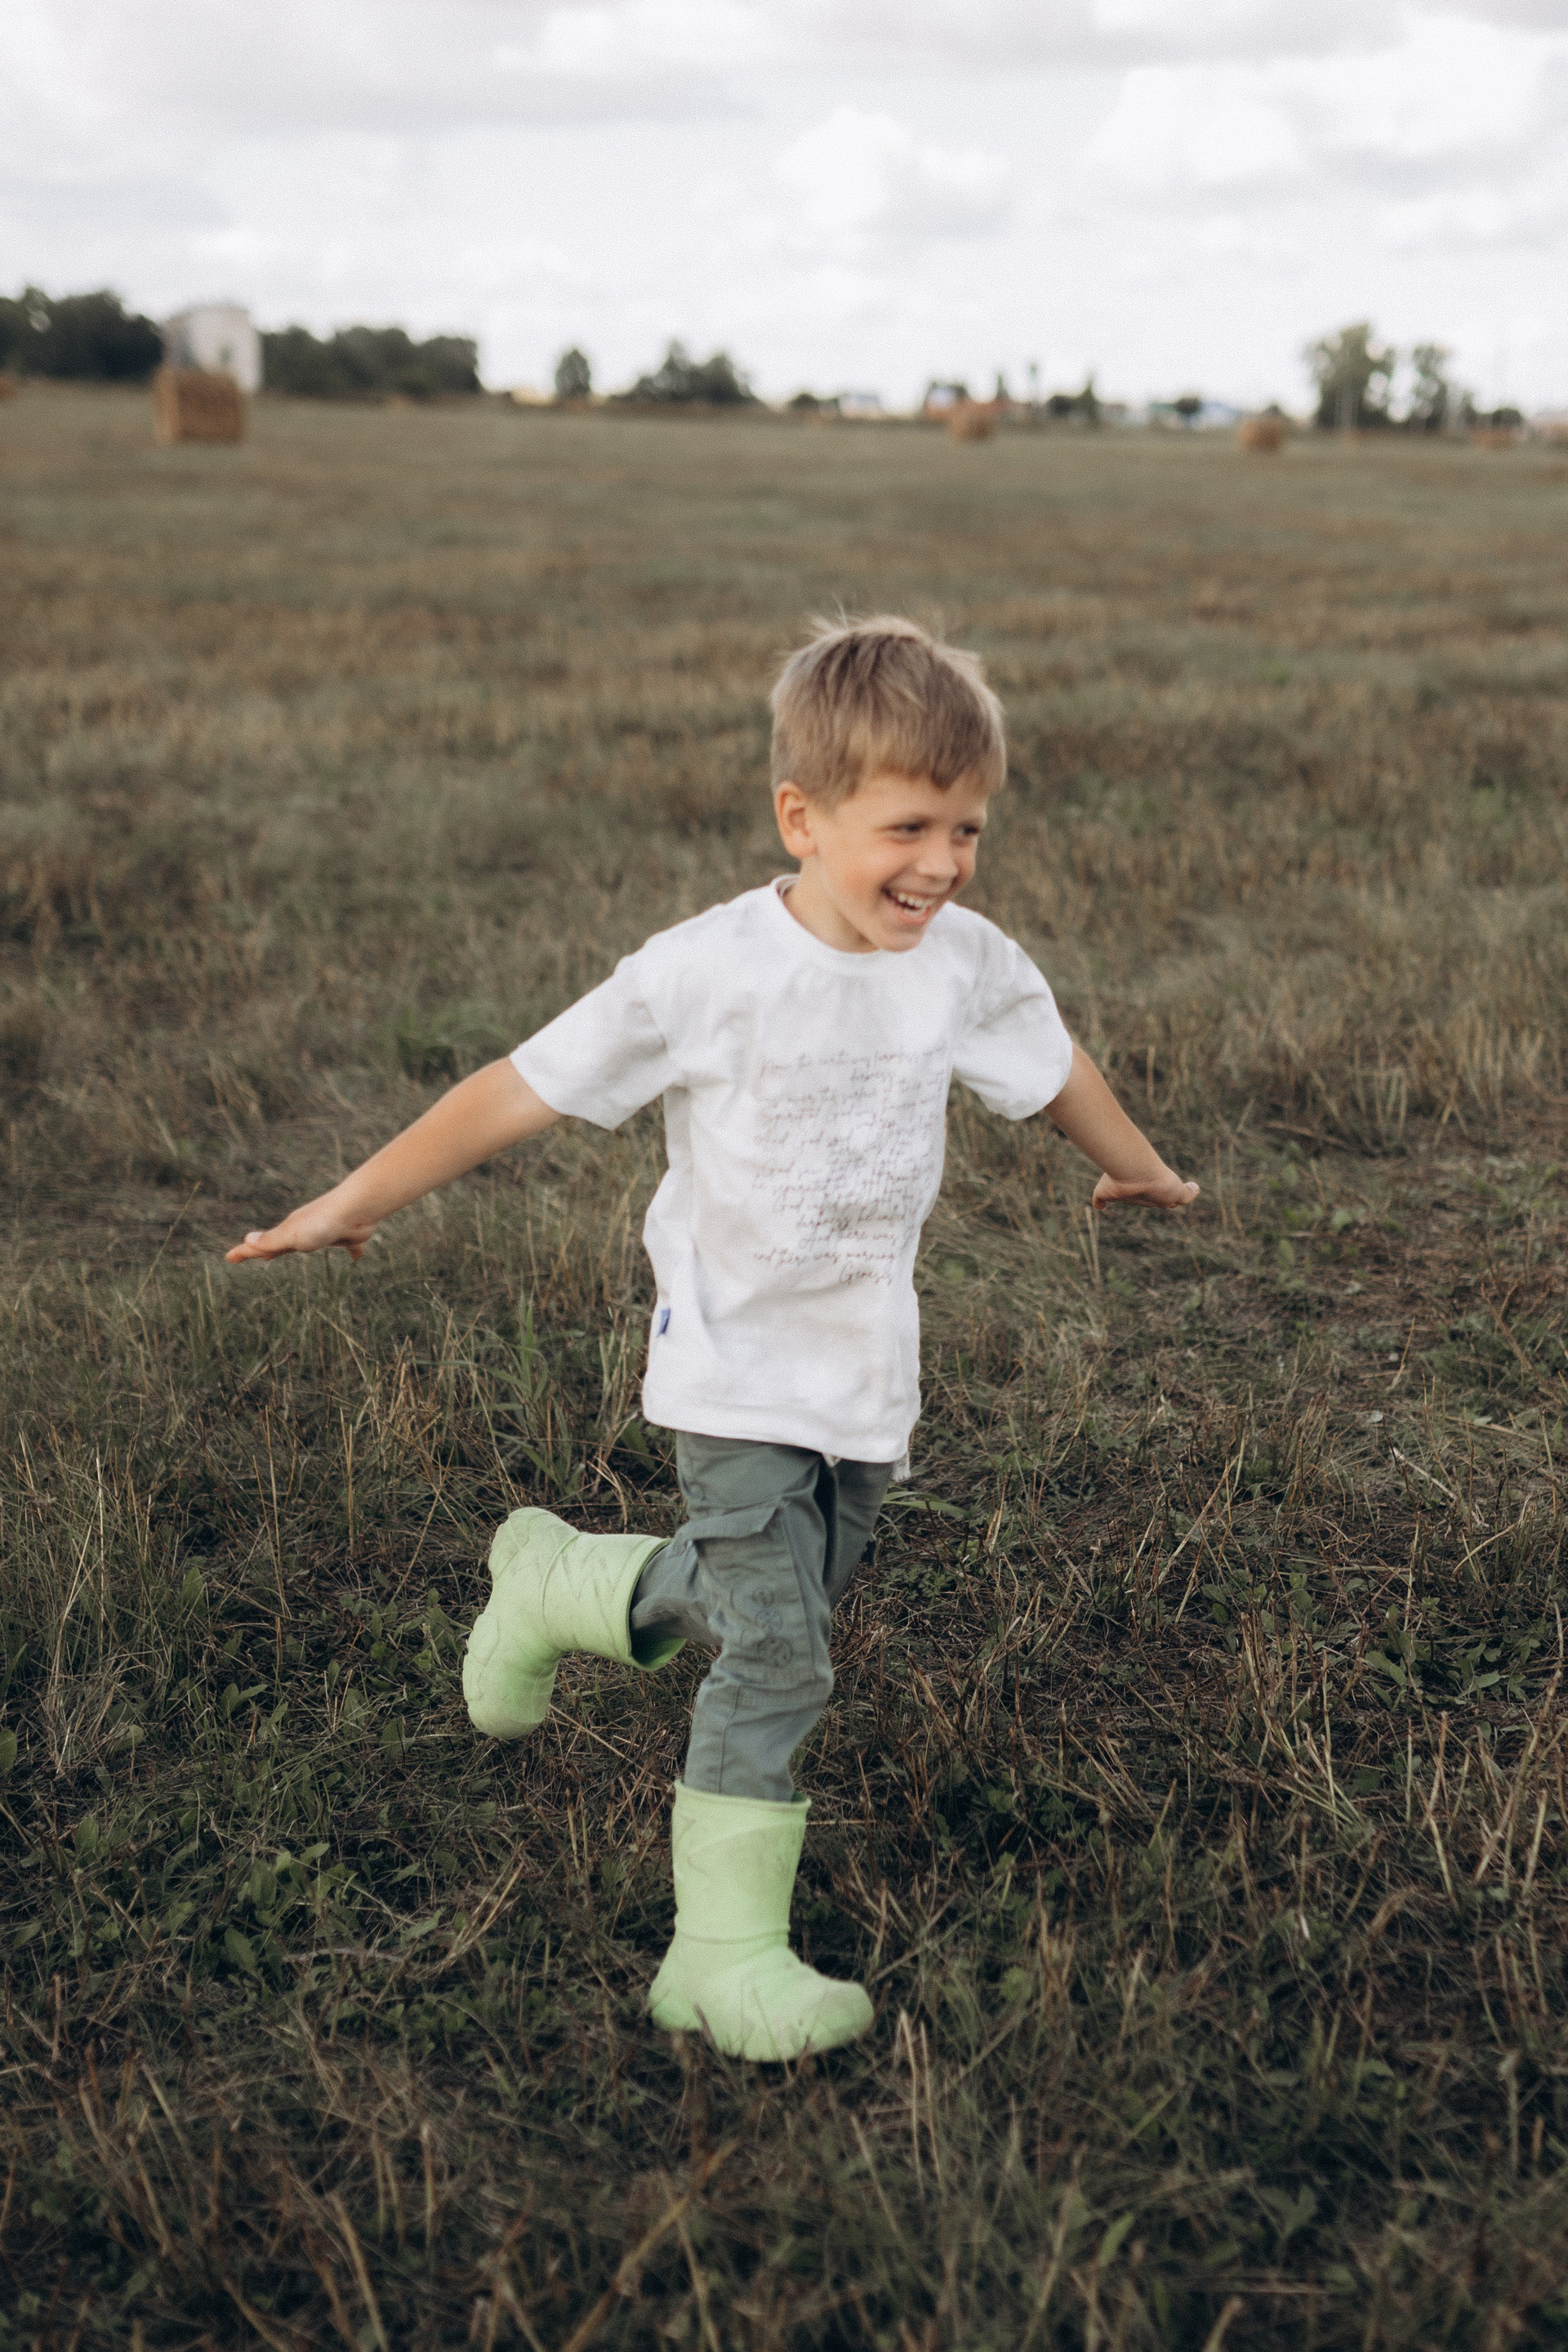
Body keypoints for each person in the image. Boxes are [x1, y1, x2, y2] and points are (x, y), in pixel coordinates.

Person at [228, 616, 1197, 2061]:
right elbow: (520, 1087)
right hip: (732, 1373)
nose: (943, 862)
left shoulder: (962, 964)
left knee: (778, 1601)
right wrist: (350, 1199)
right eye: (909, 827)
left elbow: (1053, 1069)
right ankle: (720, 1960)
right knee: (781, 1655)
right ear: (803, 818)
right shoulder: (706, 972)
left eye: (968, 829)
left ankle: (557, 1584)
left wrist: (1137, 1166)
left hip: (863, 1378)